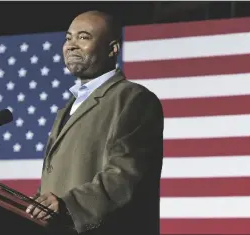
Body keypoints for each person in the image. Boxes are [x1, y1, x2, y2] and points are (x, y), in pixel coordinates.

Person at [26, 10, 164, 235]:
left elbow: (125, 175)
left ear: (113, 49)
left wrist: (68, 205)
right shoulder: (66, 109)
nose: (71, 45)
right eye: (68, 38)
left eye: (83, 37)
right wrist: (38, 204)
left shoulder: (133, 99)